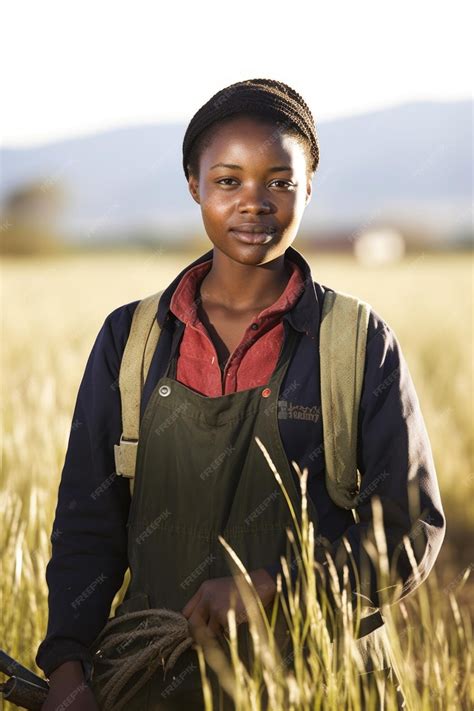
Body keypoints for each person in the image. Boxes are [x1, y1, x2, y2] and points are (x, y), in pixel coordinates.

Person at [37, 78, 445, 710]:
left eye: (280, 181)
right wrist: (67, 669)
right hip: (151, 683)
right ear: (194, 185)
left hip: (316, 680)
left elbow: (408, 529)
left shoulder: (356, 344)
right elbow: (89, 523)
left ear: (309, 186)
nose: (254, 203)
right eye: (228, 181)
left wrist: (275, 588)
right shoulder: (133, 338)